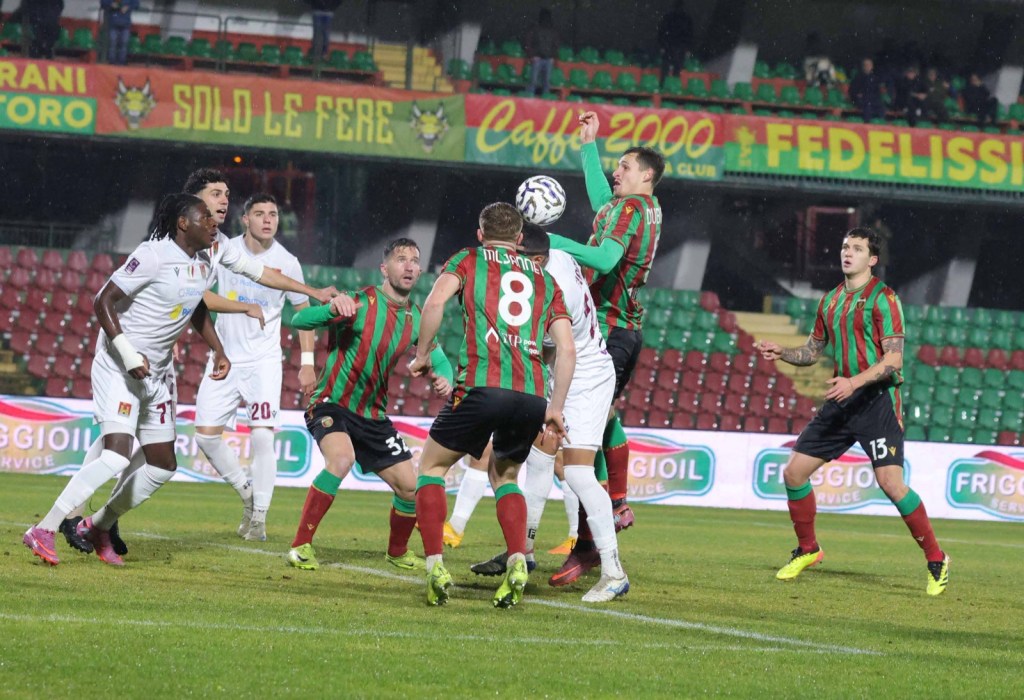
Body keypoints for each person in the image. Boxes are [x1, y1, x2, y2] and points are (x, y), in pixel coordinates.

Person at [56, 169, 339, 557]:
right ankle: (71, 515)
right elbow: (166, 297)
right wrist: (212, 318)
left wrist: (311, 292)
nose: (224, 201)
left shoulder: (216, 245)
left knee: (149, 445)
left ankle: (105, 520)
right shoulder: (164, 246)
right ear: (192, 205)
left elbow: (247, 280)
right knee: (117, 439)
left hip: (164, 358)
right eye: (215, 194)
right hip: (128, 351)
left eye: (226, 194)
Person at [23, 194, 235, 566]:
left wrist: (218, 349)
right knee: (116, 456)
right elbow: (103, 300)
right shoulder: (152, 255)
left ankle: (98, 526)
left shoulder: (204, 262)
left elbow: (195, 307)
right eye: (205, 216)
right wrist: (127, 353)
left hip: (157, 373)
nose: (213, 222)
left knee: (163, 465)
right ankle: (45, 528)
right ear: (183, 223)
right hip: (119, 366)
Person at [755, 227, 949, 597]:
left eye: (857, 248)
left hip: (876, 401)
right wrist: (783, 352)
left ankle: (937, 559)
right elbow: (812, 352)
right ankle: (808, 549)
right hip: (842, 401)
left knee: (891, 484)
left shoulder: (884, 299)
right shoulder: (830, 301)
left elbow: (894, 359)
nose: (848, 253)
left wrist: (854, 382)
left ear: (872, 259)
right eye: (845, 246)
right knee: (794, 472)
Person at [408, 202, 575, 607]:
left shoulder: (468, 259)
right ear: (519, 238)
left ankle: (435, 566)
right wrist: (555, 407)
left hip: (482, 385)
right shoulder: (546, 279)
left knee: (431, 468)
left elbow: (434, 303)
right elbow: (567, 349)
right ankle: (518, 560)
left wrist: (423, 354)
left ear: (481, 234)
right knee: (506, 476)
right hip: (531, 394)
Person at [470, 223, 629, 602]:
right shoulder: (555, 259)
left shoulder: (552, 287)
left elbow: (551, 349)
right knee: (539, 459)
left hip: (585, 378)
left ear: (538, 259)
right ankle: (523, 552)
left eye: (521, 258)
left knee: (577, 472)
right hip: (568, 372)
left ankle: (613, 572)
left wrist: (550, 402)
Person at [285, 238, 454, 572]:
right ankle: (300, 545)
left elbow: (440, 359)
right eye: (401, 259)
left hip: (373, 416)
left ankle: (397, 551)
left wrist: (445, 379)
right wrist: (331, 309)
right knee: (341, 459)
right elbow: (299, 321)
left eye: (414, 260)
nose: (409, 265)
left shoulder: (416, 318)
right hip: (332, 404)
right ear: (384, 269)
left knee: (410, 488)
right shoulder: (359, 302)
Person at [547, 110, 664, 580]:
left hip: (612, 330)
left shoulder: (632, 210)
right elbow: (601, 200)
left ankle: (599, 529)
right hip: (618, 328)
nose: (617, 172)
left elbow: (604, 257)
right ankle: (610, 510)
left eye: (625, 167)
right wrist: (588, 146)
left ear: (646, 176)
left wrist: (552, 241)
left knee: (583, 439)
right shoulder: (635, 207)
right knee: (601, 421)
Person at [193, 193, 316, 543]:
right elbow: (199, 295)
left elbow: (304, 314)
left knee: (262, 436)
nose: (267, 220)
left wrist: (307, 363)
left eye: (273, 214)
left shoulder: (287, 262)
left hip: (264, 362)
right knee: (205, 436)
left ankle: (259, 516)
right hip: (225, 357)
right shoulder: (224, 250)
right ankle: (248, 494)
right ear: (245, 219)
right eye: (259, 214)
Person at [525, 8, 559, 96]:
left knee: (546, 82)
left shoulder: (552, 30)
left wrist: (553, 57)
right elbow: (528, 43)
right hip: (538, 58)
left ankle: (545, 98)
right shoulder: (535, 29)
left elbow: (556, 44)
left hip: (548, 59)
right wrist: (532, 55)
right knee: (533, 81)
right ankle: (530, 98)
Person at [657, 1, 693, 80]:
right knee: (674, 68)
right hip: (675, 46)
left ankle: (666, 84)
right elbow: (689, 35)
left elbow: (662, 32)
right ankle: (669, 83)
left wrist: (662, 45)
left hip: (671, 45)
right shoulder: (685, 18)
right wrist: (688, 48)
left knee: (669, 68)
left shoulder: (668, 17)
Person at [100, 0, 138, 65]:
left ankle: (121, 63)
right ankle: (112, 62)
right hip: (113, 23)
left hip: (125, 25)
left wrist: (128, 7)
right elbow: (103, 2)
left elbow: (136, 4)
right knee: (112, 44)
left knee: (124, 44)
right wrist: (111, 4)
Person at [848, 58, 886, 123]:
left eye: (869, 65)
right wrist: (857, 95)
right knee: (868, 108)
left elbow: (877, 92)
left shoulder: (875, 78)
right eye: (866, 65)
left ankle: (880, 124)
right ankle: (867, 124)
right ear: (863, 66)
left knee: (881, 107)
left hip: (873, 100)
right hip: (862, 100)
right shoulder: (858, 77)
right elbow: (852, 91)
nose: (868, 66)